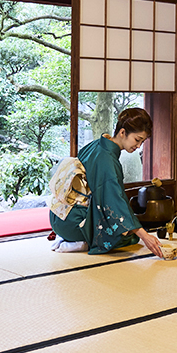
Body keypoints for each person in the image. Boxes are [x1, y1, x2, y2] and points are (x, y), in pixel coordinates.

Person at [49, 108, 166, 259]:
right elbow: (114, 200)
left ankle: (73, 238)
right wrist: (144, 235)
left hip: (58, 215)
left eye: (142, 142)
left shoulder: (98, 144)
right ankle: (81, 242)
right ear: (122, 132)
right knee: (123, 236)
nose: (139, 146)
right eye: (137, 140)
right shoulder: (107, 160)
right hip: (74, 222)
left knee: (125, 229)